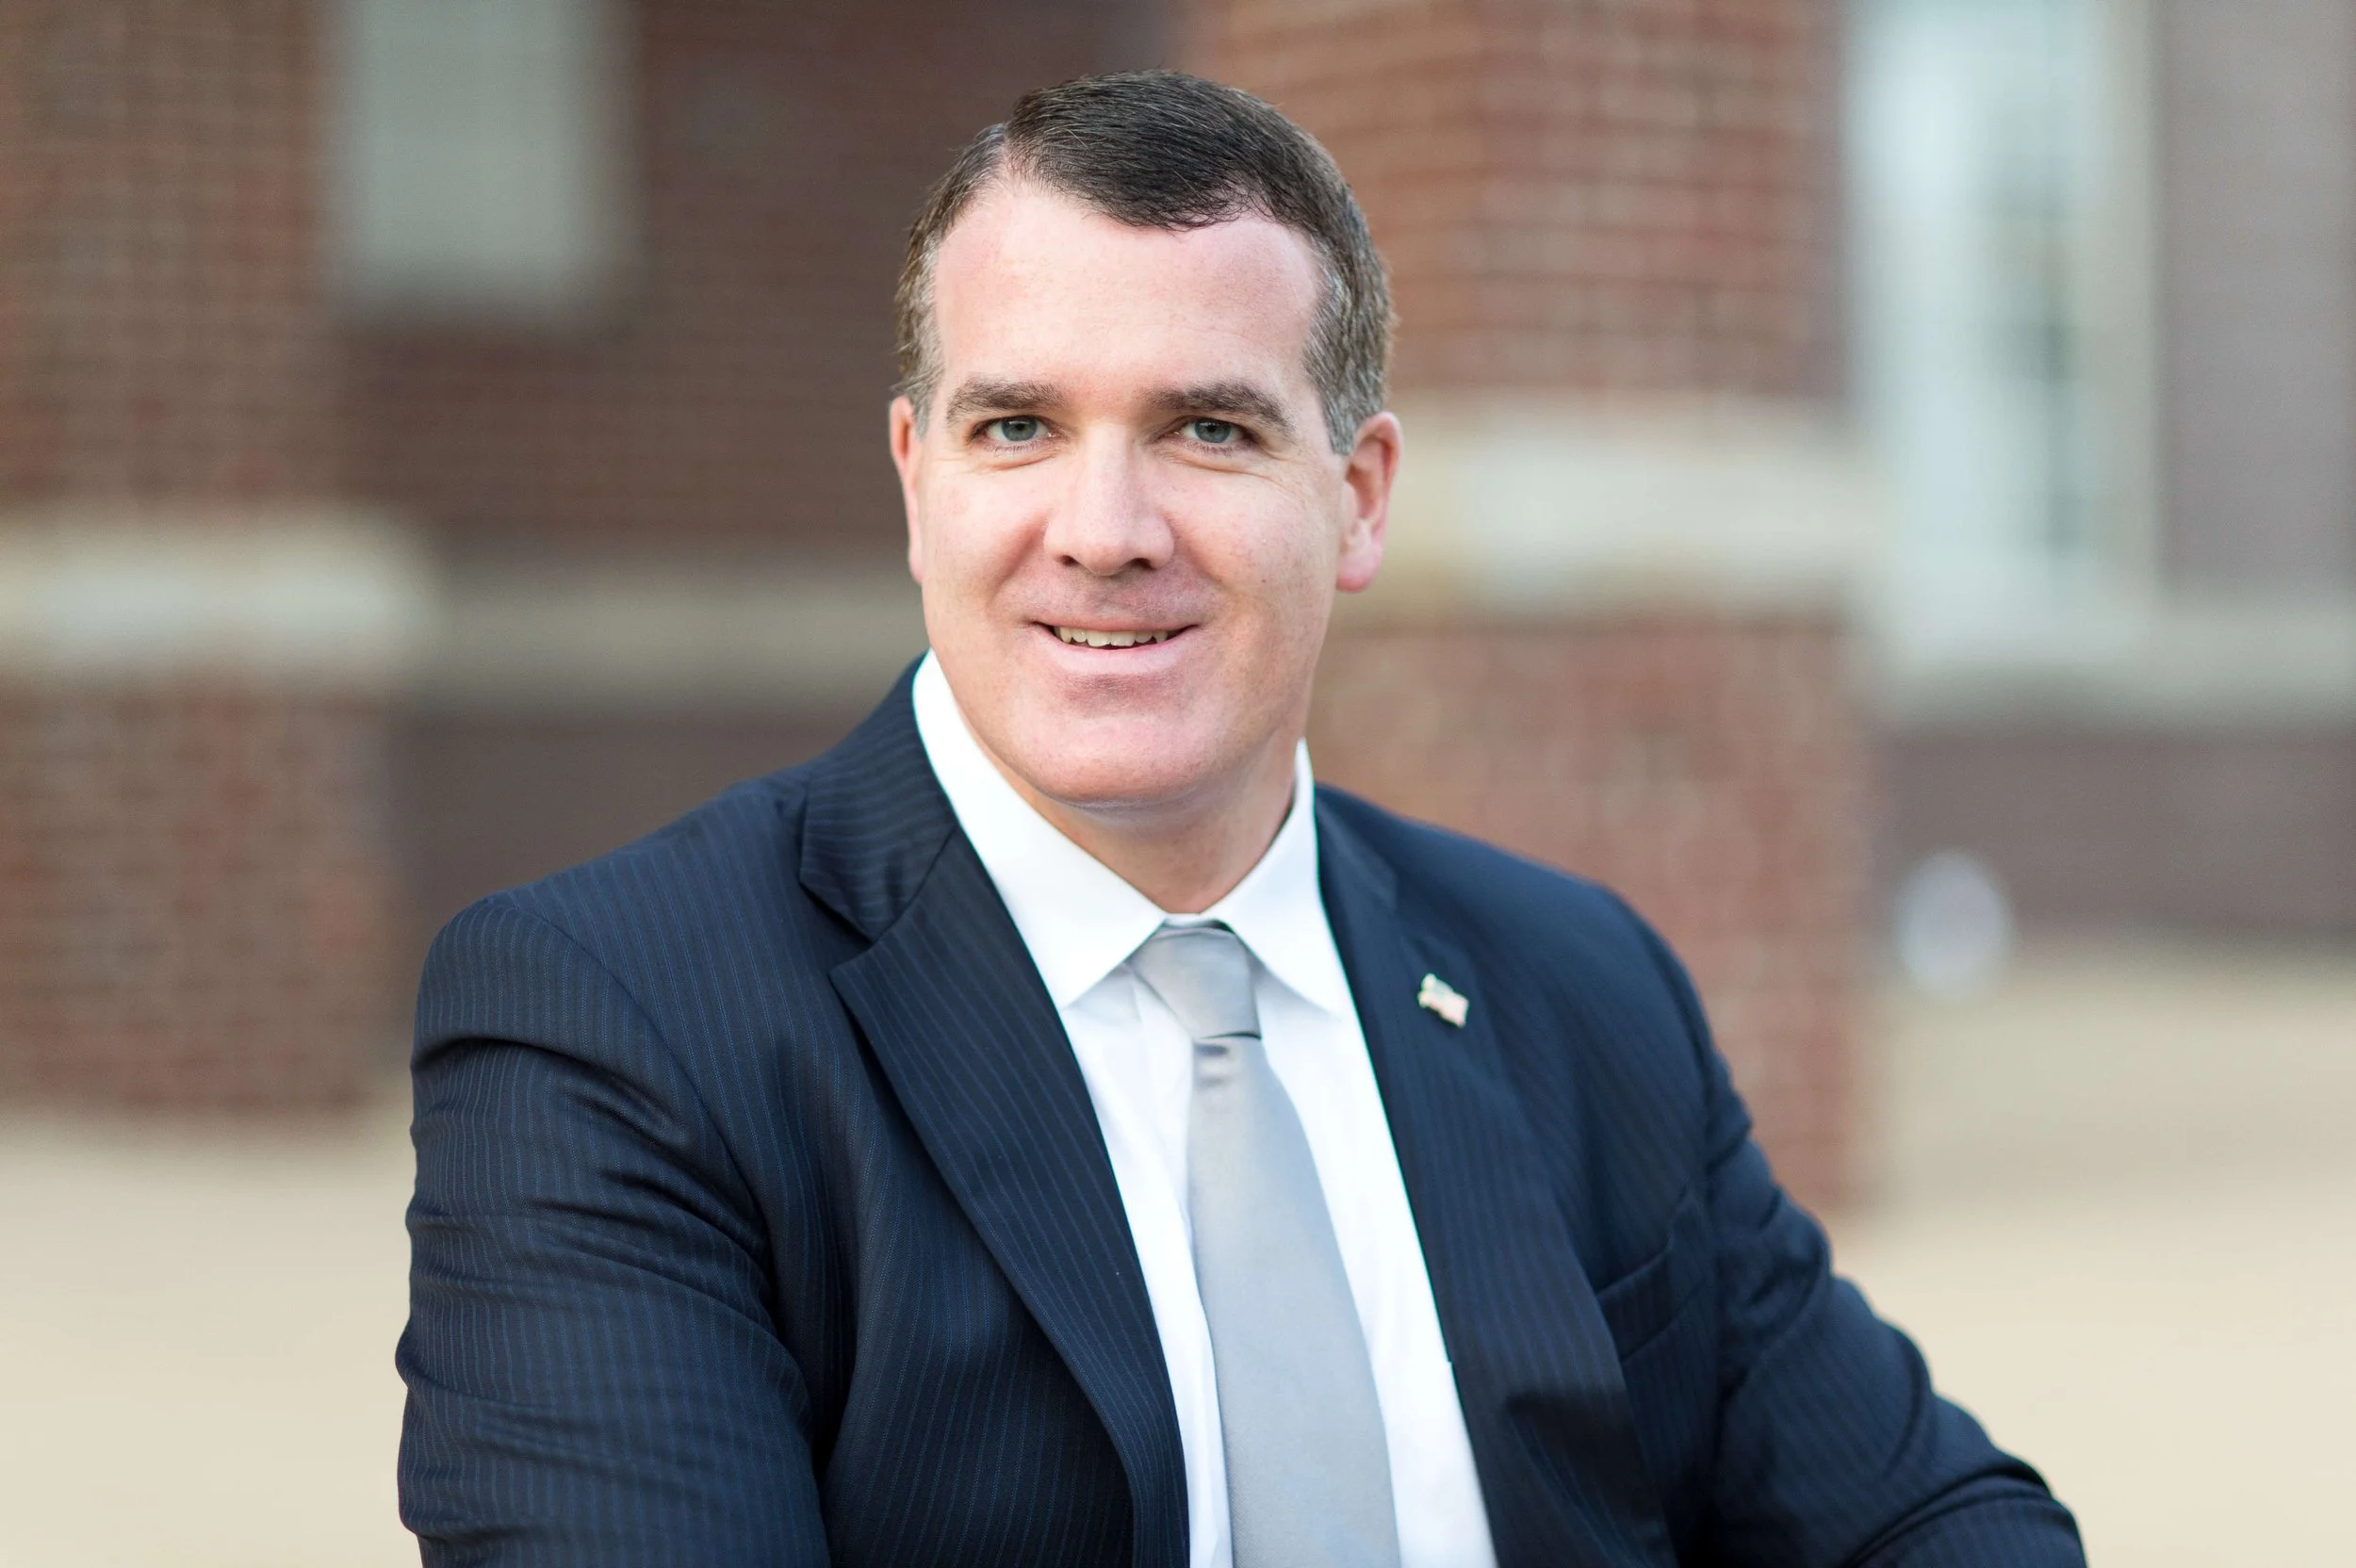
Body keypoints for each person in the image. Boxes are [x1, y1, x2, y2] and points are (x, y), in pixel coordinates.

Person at [398, 71, 2083, 1568]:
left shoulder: (1579, 983)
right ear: (919, 484)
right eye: (1019, 427)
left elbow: (1936, 1522)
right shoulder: (617, 1025)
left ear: (1353, 499)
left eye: (1208, 427)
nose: (1105, 528)